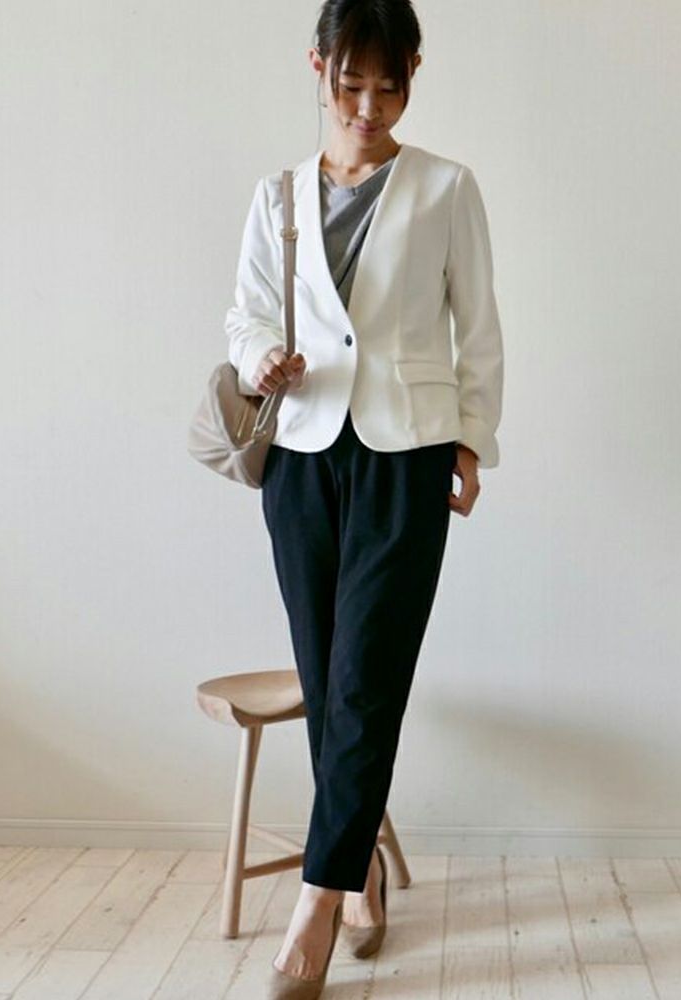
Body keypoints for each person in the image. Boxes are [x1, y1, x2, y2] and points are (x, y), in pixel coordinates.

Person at [223, 2, 504, 995]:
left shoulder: (445, 188)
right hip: (301, 458)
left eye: (389, 86)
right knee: (327, 673)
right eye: (350, 85)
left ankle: (317, 899)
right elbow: (245, 313)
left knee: (365, 679)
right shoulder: (278, 195)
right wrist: (262, 356)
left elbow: (479, 324)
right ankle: (361, 866)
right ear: (318, 67)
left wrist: (473, 438)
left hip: (407, 453)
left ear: (413, 73)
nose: (369, 107)